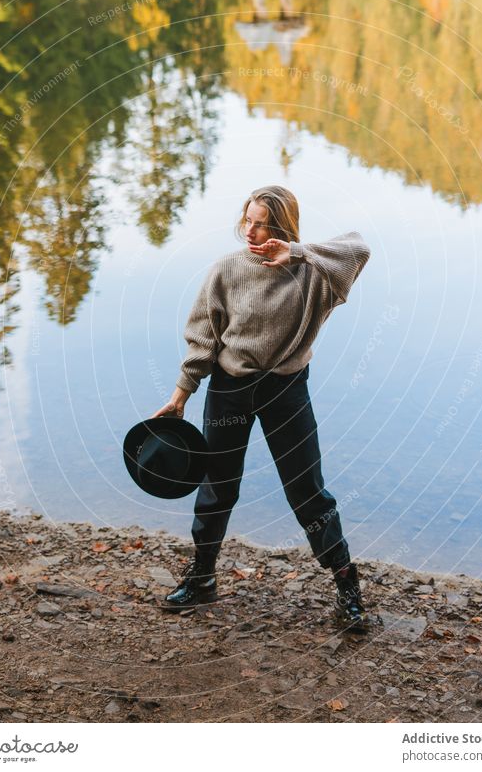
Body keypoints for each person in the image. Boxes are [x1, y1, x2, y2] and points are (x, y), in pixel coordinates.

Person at [152, 185, 371, 632]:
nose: (250, 232)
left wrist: (298, 252)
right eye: (247, 221)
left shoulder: (315, 275)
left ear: (283, 227)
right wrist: (180, 395)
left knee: (307, 491)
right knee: (217, 486)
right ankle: (202, 577)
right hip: (230, 388)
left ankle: (347, 585)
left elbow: (358, 250)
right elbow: (204, 338)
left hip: (286, 390)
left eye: (262, 224)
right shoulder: (226, 270)